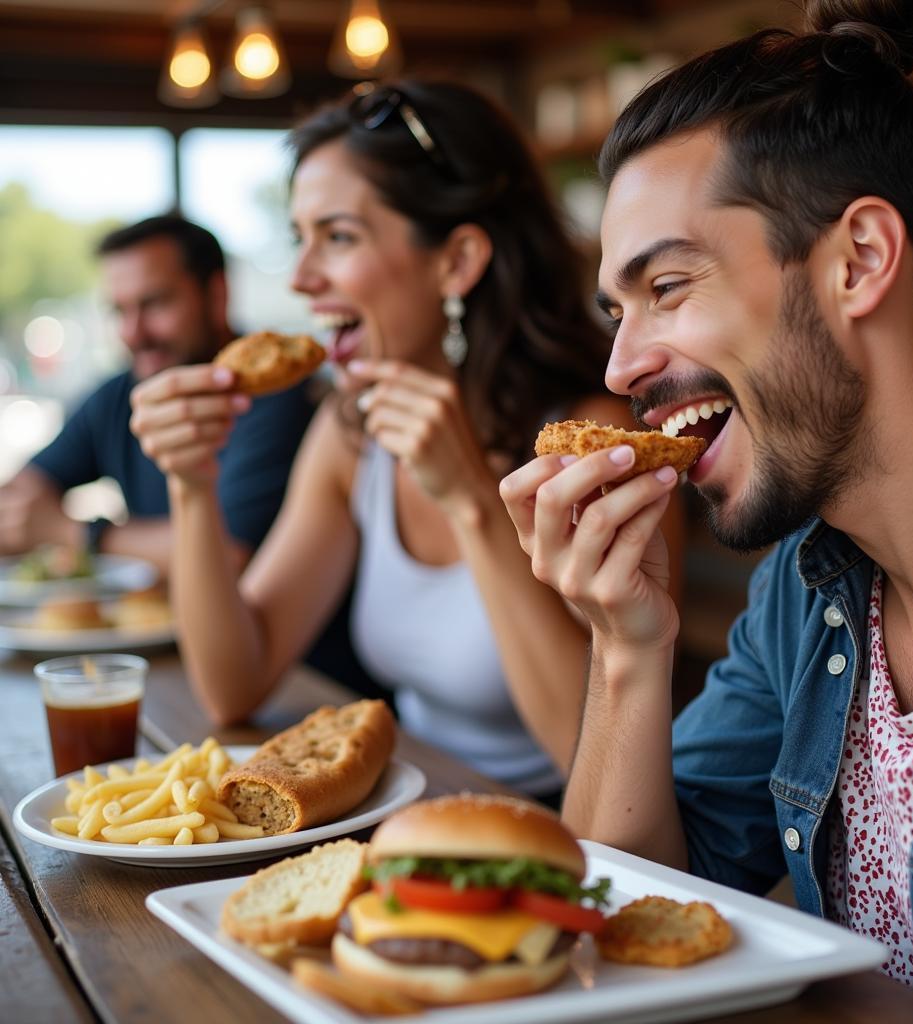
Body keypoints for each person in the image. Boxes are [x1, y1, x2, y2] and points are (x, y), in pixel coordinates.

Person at [500, 0, 913, 1017]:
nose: (621, 365)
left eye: (668, 284)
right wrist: (625, 643)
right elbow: (612, 923)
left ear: (859, 260)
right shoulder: (807, 587)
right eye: (619, 307)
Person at [128, 81, 685, 800]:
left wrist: (472, 502)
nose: (301, 277)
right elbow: (233, 684)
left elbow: (596, 766)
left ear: (456, 261)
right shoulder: (351, 430)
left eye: (338, 236)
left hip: (565, 832)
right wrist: (192, 484)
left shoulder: (599, 446)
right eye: (301, 238)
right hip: (412, 804)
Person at [0, 214, 318, 576]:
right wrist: (25, 519)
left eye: (154, 304)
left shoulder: (276, 396)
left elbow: (226, 555)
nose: (133, 333)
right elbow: (17, 500)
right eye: (120, 311)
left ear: (216, 293)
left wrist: (68, 531)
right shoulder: (119, 396)